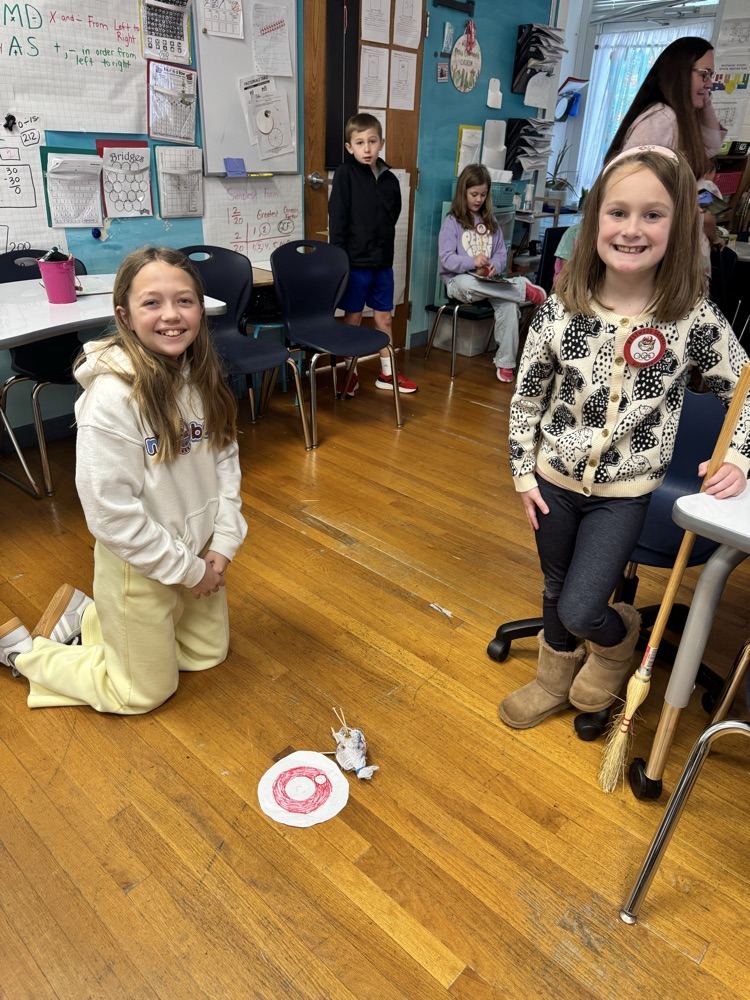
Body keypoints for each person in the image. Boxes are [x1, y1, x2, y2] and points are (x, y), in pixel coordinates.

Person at [498, 146, 750, 731]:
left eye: (653, 215)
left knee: (585, 605)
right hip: (551, 483)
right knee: (556, 585)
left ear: (679, 224)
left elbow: (745, 387)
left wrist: (738, 453)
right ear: (595, 222)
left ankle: (618, 643)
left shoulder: (691, 317)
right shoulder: (561, 310)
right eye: (618, 213)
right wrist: (521, 472)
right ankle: (551, 680)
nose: (632, 229)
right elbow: (526, 401)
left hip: (625, 493)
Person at [0, 246, 248, 714]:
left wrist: (223, 543)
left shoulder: (204, 375)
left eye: (185, 300)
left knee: (206, 655)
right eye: (152, 302)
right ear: (125, 315)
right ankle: (26, 653)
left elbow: (225, 462)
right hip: (141, 564)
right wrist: (191, 572)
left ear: (200, 305)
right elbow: (111, 515)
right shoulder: (112, 399)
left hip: (198, 548)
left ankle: (88, 617)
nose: (171, 315)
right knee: (141, 693)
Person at [606, 35, 727, 261]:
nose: (710, 83)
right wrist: (710, 206)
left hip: (682, 249)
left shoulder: (681, 119)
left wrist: (706, 100)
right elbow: (633, 185)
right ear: (680, 72)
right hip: (662, 252)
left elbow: (712, 147)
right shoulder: (662, 118)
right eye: (704, 75)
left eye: (711, 76)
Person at [328, 112, 418, 395]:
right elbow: (337, 220)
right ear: (349, 147)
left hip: (382, 263)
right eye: (359, 143)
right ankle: (350, 374)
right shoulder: (345, 175)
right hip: (354, 264)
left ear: (381, 143)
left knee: (385, 319)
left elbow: (392, 216)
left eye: (372, 141)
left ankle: (387, 374)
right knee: (353, 318)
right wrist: (341, 260)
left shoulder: (390, 179)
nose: (366, 148)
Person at [438, 164, 547, 383]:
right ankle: (520, 288)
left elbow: (500, 254)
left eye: (483, 194)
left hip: (489, 283)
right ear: (463, 193)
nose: (478, 199)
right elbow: (446, 259)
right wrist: (472, 261)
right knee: (469, 282)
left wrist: (495, 266)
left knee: (508, 304)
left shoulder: (491, 222)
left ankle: (506, 363)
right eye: (473, 194)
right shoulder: (452, 222)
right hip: (459, 283)